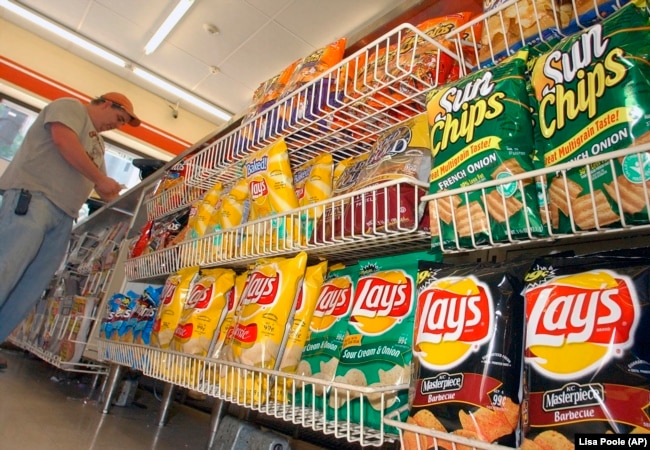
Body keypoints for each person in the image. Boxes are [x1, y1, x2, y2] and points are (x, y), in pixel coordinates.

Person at [0, 92, 141, 367]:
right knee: (6, 267)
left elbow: (99, 187)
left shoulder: (98, 144)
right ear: (105, 104)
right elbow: (63, 140)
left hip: (64, 215)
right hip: (35, 197)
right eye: (118, 118)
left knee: (30, 285)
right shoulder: (70, 107)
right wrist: (101, 178)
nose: (118, 125)